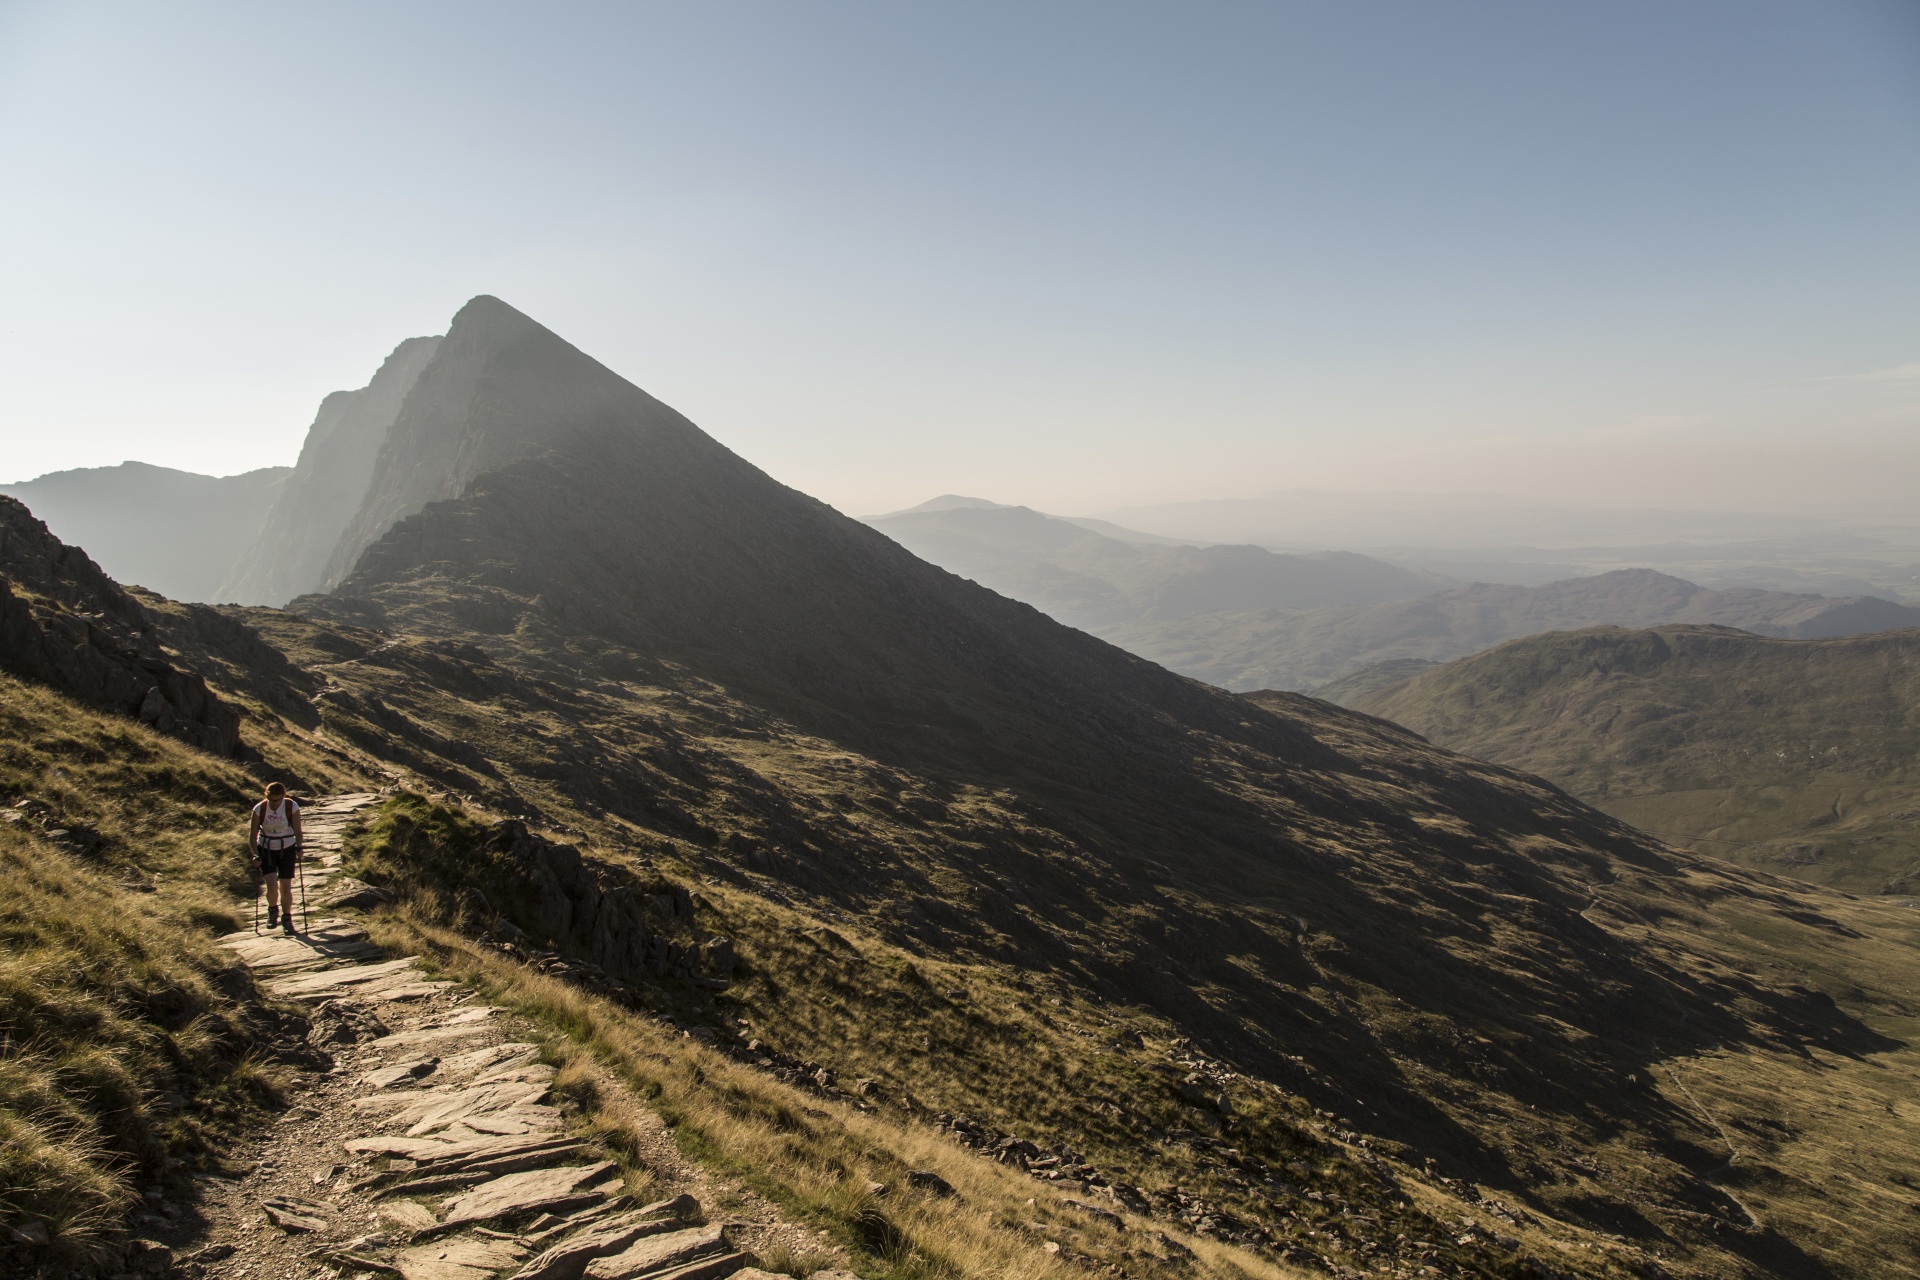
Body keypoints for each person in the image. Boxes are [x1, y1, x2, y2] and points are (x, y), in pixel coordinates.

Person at [249, 782, 304, 933]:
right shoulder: (260, 809)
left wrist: (299, 847)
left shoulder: (291, 807)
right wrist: (255, 854)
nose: (274, 803)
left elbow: (298, 832)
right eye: (271, 800)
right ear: (266, 796)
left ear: (283, 796)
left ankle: (287, 919)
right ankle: (272, 911)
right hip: (266, 849)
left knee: (285, 887)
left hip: (287, 849)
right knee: (272, 885)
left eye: (277, 800)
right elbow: (253, 836)